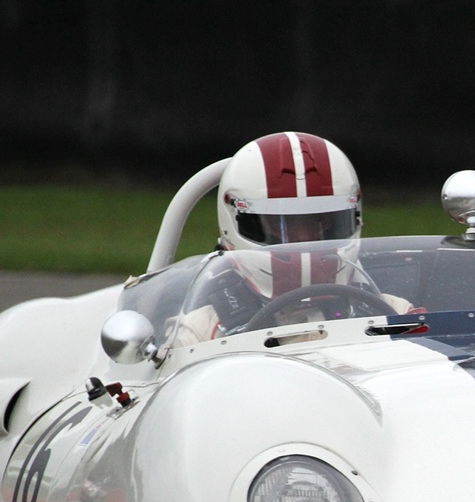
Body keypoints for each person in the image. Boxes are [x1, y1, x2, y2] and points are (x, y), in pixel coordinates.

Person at [172, 131, 404, 345]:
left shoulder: (394, 312)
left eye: (320, 221)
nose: (304, 239)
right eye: (278, 225)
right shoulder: (202, 332)